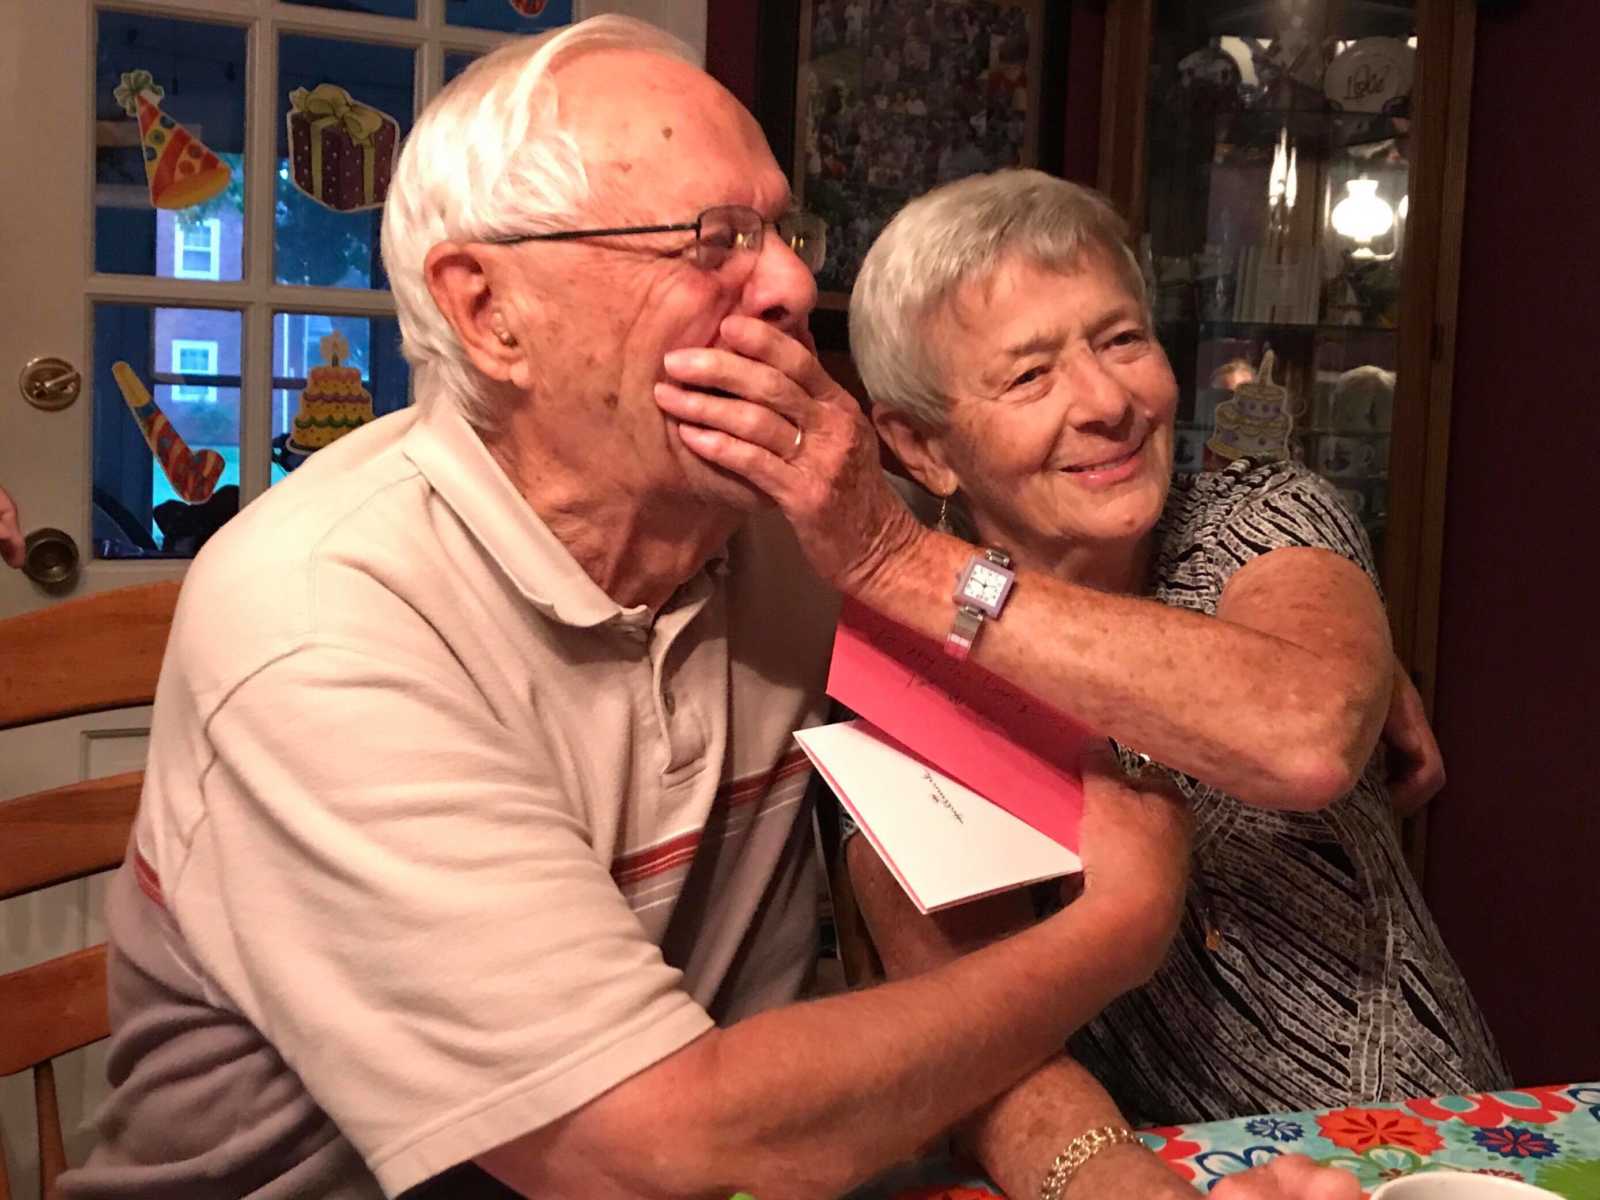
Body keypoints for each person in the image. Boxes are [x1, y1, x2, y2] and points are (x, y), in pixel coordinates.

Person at [63, 18, 1355, 1200]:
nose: (792, 285)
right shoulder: (326, 618)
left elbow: (1180, 715)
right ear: (488, 312)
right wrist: (1117, 934)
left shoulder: (773, 531)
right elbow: (643, 1140)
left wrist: (1294, 664)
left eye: (785, 232)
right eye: (713, 241)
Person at [818, 169, 1503, 1126]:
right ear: (922, 446)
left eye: (1122, 339)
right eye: (1030, 374)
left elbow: (1301, 734)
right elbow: (971, 1039)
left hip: (1432, 1146)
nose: (1109, 401)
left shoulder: (1263, 515)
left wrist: (920, 571)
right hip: (1166, 1169)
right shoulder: (905, 680)